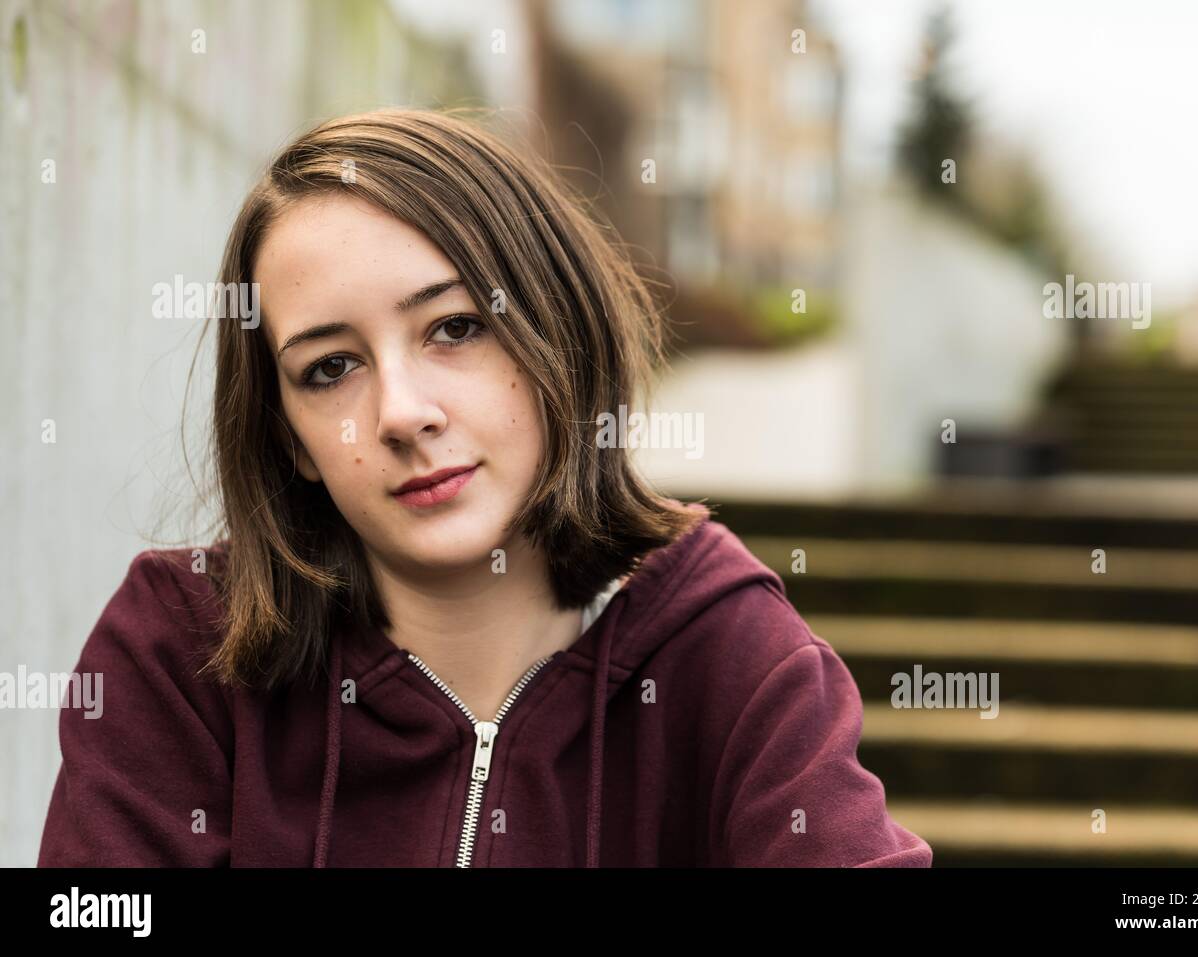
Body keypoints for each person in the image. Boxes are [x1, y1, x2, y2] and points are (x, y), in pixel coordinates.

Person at [37, 108, 932, 868]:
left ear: (557, 337)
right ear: (292, 440)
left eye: (454, 326)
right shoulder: (181, 651)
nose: (401, 411)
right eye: (330, 367)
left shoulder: (725, 652)